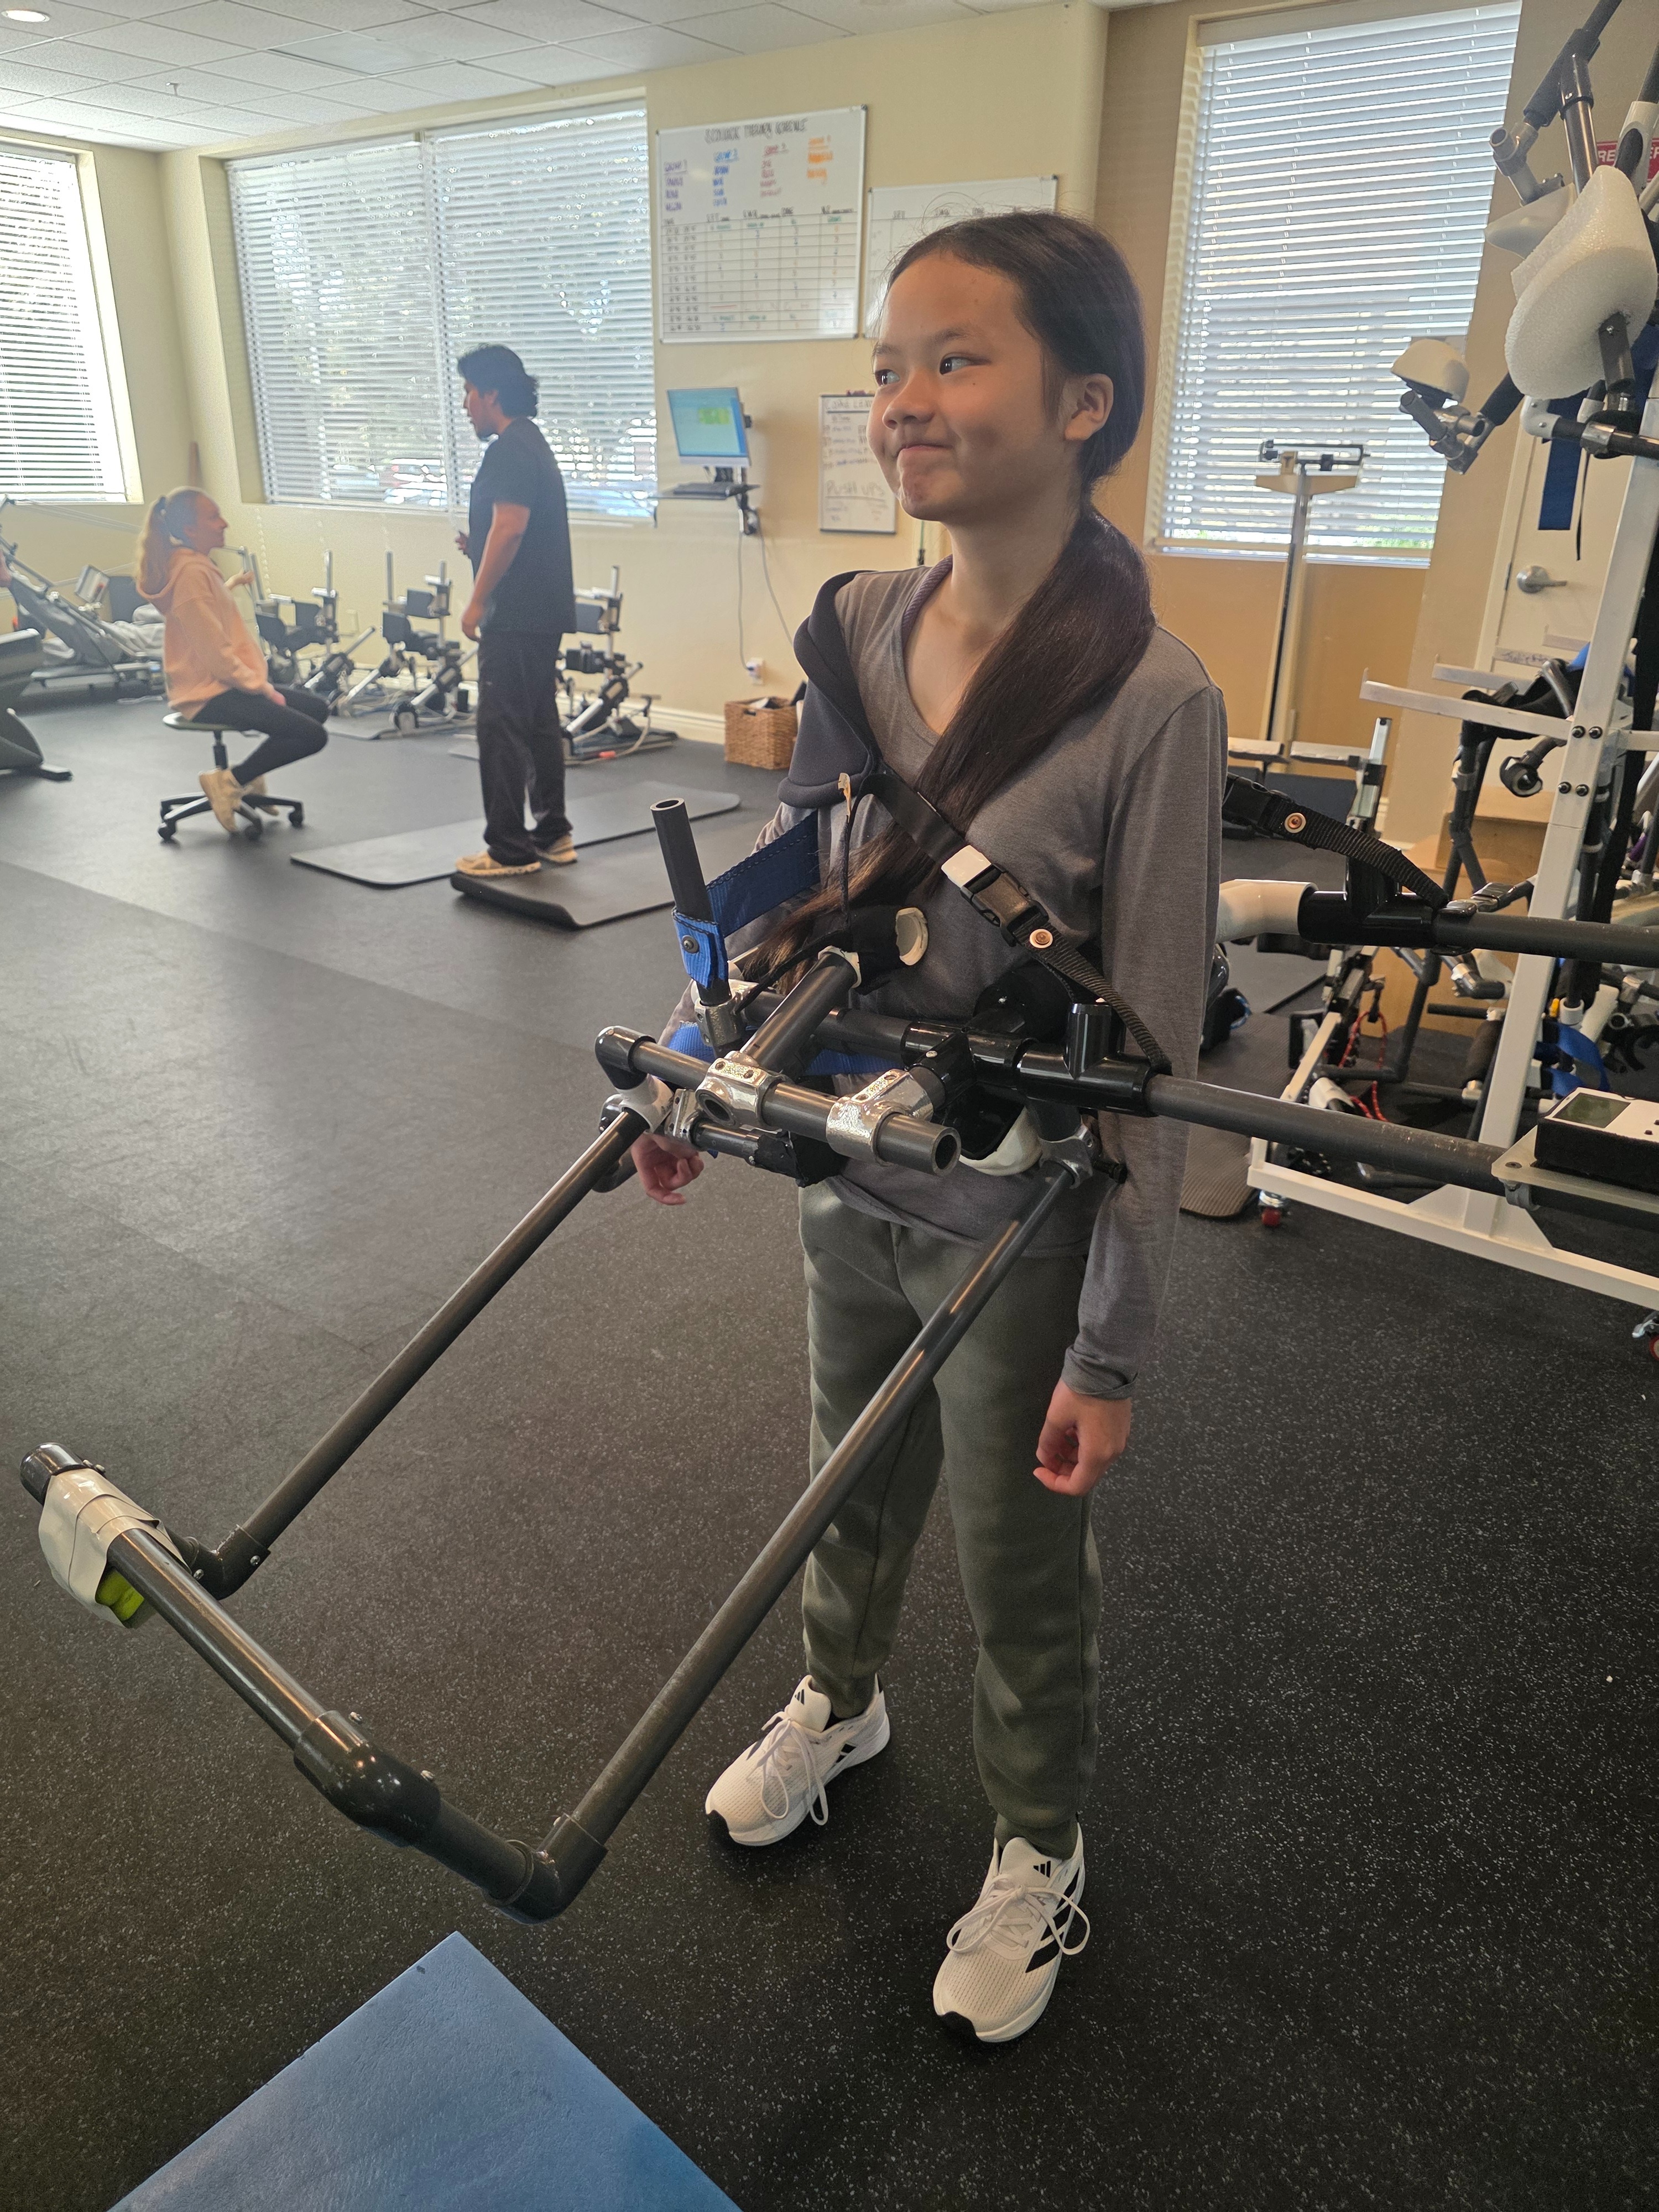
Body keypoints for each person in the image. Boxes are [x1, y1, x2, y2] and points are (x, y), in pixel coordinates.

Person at [631, 213, 1225, 2045]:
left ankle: (1039, 1847)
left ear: (1087, 401)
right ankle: (841, 1701)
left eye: (957, 360)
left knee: (1015, 1549)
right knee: (847, 1472)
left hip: (1020, 1215)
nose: (904, 400)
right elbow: (789, 883)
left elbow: (1156, 1044)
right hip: (848, 1153)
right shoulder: (856, 629)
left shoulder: (1155, 698)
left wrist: (1114, 1350)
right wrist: (694, 1057)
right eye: (890, 365)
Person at [451, 343, 578, 878]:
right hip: (542, 608)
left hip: (516, 613)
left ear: (492, 394)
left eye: (469, 393)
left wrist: (477, 601)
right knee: (538, 720)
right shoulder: (532, 442)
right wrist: (478, 543)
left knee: (501, 727)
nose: (465, 405)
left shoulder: (507, 449)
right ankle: (553, 833)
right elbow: (511, 528)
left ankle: (508, 848)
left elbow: (511, 528)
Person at [135, 488, 328, 833]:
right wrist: (261, 688)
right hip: (207, 694)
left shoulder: (195, 568)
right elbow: (215, 652)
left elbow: (207, 617)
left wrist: (232, 585)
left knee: (316, 709)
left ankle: (247, 777)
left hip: (223, 684)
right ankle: (229, 782)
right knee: (312, 735)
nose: (224, 523)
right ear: (190, 529)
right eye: (213, 517)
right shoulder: (191, 574)